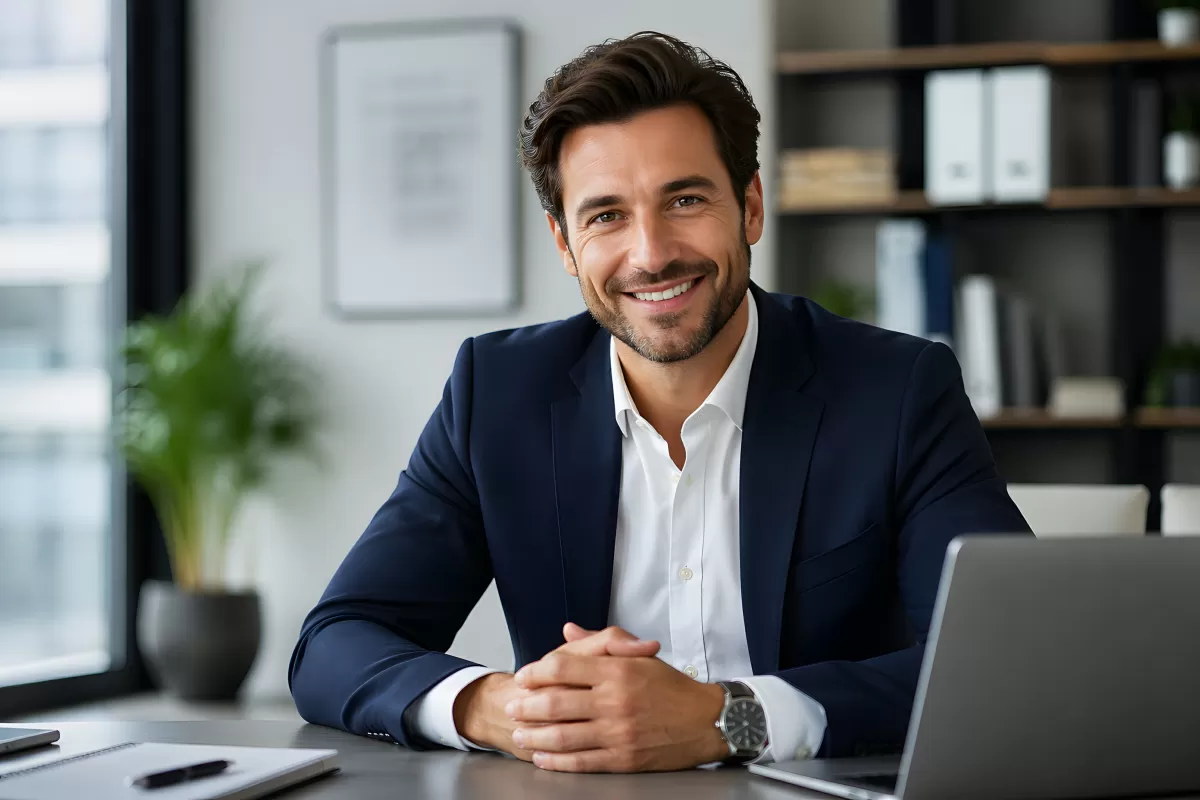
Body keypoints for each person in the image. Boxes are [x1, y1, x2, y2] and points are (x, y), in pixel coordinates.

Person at [289, 31, 1030, 774]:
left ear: (750, 207)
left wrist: (728, 719)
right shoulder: (498, 394)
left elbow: (1004, 664)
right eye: (606, 215)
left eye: (684, 199)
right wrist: (511, 710)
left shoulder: (897, 391)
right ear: (565, 243)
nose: (650, 253)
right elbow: (335, 642)